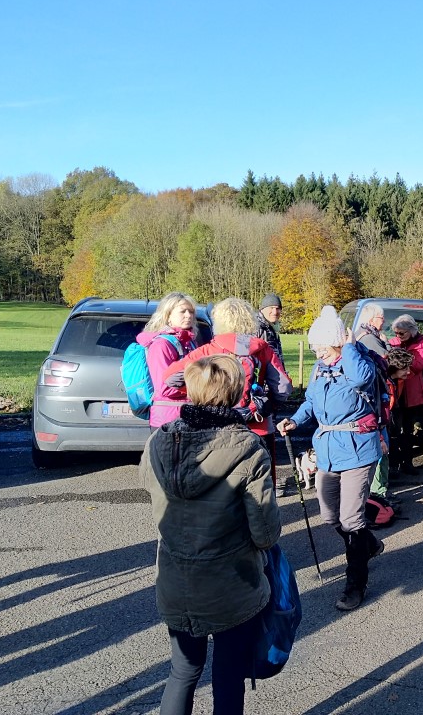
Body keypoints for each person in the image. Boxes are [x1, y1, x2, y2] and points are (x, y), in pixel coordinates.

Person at [140, 354, 281, 715]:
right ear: (236, 392)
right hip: (231, 584)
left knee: (183, 670)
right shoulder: (247, 448)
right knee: (229, 674)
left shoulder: (158, 442)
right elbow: (265, 532)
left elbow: (150, 489)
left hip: (175, 578)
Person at [276, 306, 384, 611]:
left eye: (323, 347)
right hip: (327, 449)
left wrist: (348, 346)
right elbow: (310, 401)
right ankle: (370, 544)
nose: (318, 353)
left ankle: (355, 583)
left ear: (337, 343)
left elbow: (362, 380)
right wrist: (295, 421)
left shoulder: (357, 361)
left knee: (351, 521)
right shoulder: (320, 368)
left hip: (358, 448)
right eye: (315, 348)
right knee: (330, 517)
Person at [163, 298, 292, 484]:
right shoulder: (262, 349)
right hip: (258, 426)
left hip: (216, 427)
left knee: (221, 486)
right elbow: (283, 388)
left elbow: (171, 378)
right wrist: (265, 402)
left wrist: (199, 392)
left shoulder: (208, 350)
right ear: (249, 320)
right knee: (260, 485)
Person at [137, 292, 200, 429]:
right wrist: (202, 388)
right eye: (183, 311)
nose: (188, 315)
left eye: (191, 311)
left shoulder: (190, 342)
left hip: (187, 417)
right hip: (167, 421)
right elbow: (165, 387)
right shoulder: (162, 345)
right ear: (168, 316)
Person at [387, 315, 423, 476]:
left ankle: (408, 462)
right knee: (395, 430)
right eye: (396, 333)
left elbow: (419, 365)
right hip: (397, 393)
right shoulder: (393, 343)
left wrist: (401, 363)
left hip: (413, 393)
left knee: (409, 430)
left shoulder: (421, 344)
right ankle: (394, 463)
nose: (398, 336)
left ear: (411, 331)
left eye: (402, 333)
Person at [371, 347, 414, 503]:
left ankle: (382, 491)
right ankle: (377, 496)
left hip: (384, 427)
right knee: (379, 461)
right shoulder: (381, 382)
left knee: (385, 460)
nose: (408, 372)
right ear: (395, 367)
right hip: (377, 429)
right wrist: (380, 436)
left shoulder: (391, 380)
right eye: (405, 368)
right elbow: (374, 412)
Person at [255, 293, 284, 365]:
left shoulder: (273, 328)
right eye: (271, 308)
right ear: (262, 309)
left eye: (277, 308)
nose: (275, 312)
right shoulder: (256, 327)